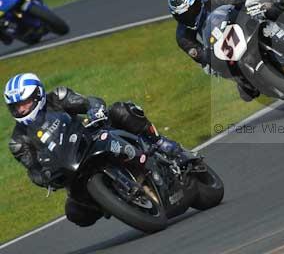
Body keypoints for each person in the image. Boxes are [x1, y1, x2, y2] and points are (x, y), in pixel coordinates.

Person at [5, 73, 193, 227]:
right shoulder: (18, 141)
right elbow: (33, 170)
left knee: (121, 110)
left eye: (25, 103)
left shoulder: (58, 98)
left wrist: (95, 110)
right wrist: (45, 177)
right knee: (75, 213)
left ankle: (161, 143)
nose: (21, 109)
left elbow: (90, 103)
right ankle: (110, 203)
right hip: (71, 169)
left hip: (91, 138)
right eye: (16, 107)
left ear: (38, 95)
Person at [168, 0, 284, 102]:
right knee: (237, 84)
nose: (190, 16)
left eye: (192, 10)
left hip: (240, 22)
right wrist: (210, 62)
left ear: (198, 1)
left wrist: (251, 5)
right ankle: (246, 81)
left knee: (274, 7)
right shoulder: (182, 36)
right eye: (183, 16)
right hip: (223, 46)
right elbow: (201, 57)